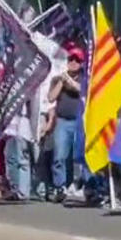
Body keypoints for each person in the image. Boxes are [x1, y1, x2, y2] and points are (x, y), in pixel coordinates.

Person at [49, 47, 88, 203]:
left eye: (77, 60)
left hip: (80, 121)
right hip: (63, 121)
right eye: (71, 59)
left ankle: (83, 186)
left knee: (79, 156)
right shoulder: (58, 78)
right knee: (59, 155)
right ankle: (60, 186)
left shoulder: (85, 78)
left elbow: (83, 91)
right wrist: (61, 82)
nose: (73, 63)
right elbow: (51, 98)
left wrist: (70, 82)